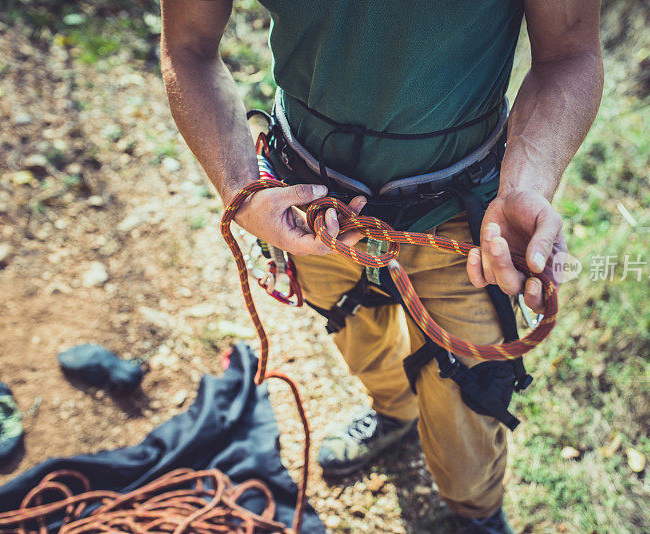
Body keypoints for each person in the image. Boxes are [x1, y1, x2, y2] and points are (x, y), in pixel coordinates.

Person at [160, 1, 603, 532]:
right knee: (353, 325)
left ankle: (475, 514)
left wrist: (525, 183)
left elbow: (568, 53)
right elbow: (187, 44)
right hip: (312, 208)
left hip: (462, 210)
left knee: (471, 391)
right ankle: (395, 412)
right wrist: (241, 187)